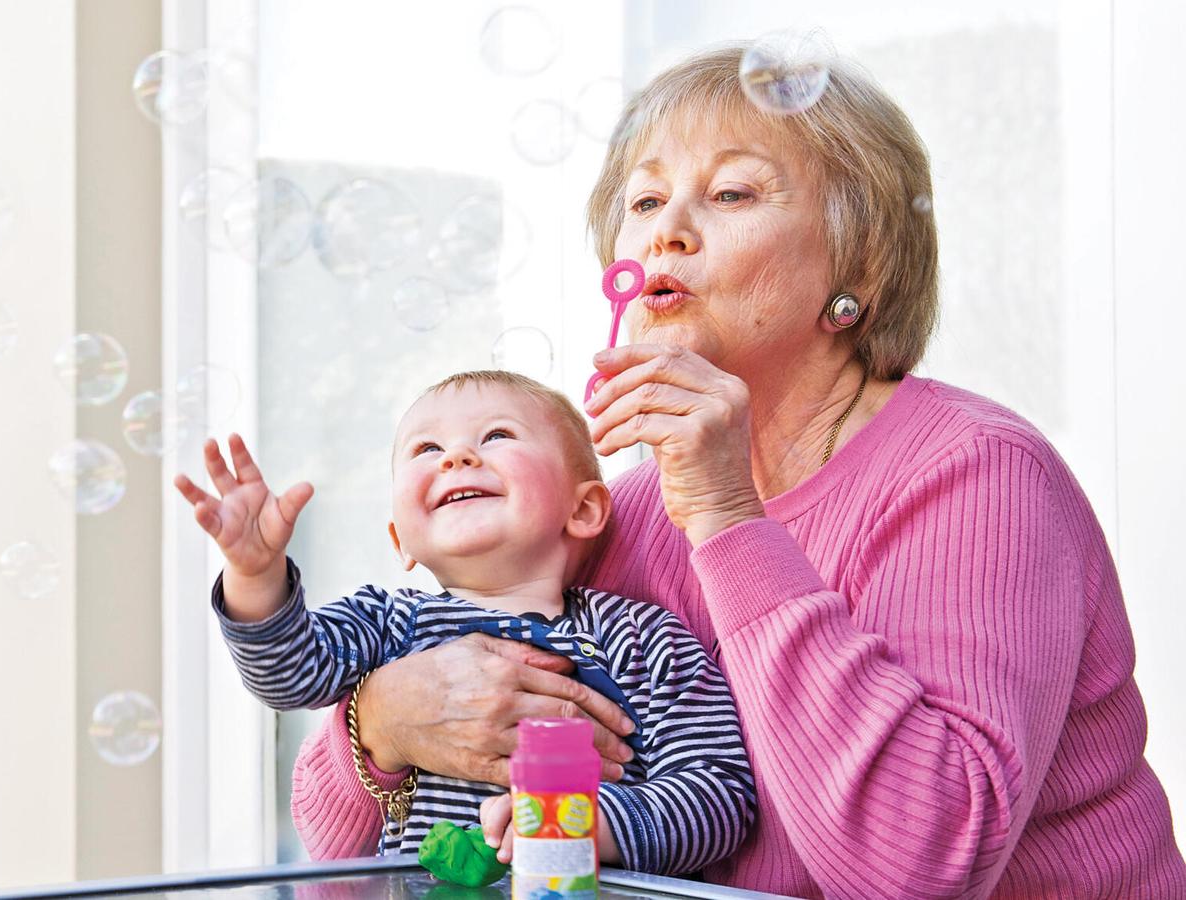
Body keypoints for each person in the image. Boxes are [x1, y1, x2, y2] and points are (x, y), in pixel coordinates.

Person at [286, 45, 1186, 898]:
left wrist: (725, 515)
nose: (667, 232)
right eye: (643, 204)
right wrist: (381, 725)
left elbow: (916, 873)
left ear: (859, 266)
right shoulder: (618, 511)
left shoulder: (976, 474)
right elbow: (337, 855)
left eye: (730, 193)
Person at [172, 370, 755, 874]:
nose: (456, 457)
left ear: (584, 509)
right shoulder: (388, 623)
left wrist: (587, 825)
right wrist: (255, 576)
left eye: (497, 436)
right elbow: (287, 677)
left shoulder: (643, 638)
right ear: (402, 540)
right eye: (426, 449)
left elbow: (720, 796)